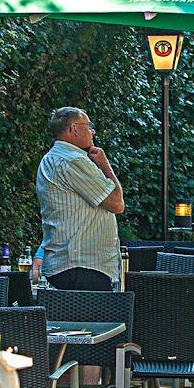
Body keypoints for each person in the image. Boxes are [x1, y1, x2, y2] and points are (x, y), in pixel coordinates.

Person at [36, 107, 124, 291]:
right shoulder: (74, 160)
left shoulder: (49, 159)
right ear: (74, 128)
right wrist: (105, 165)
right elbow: (117, 204)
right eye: (88, 126)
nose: (93, 131)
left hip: (64, 265)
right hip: (83, 267)